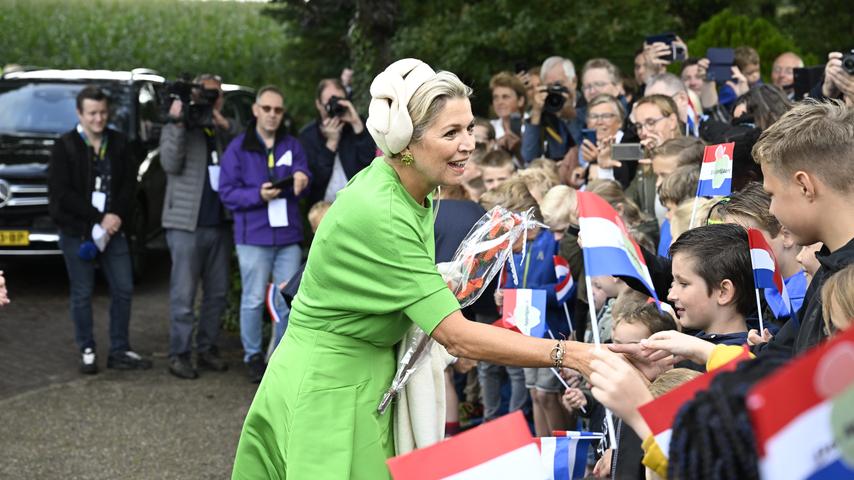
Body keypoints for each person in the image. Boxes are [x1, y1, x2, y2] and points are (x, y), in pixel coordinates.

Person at [231, 59, 634, 479]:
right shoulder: (383, 209)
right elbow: (457, 336)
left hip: (359, 377)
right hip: (329, 387)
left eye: (469, 129)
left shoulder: (407, 187)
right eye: (451, 133)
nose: (468, 144)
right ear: (407, 141)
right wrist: (573, 354)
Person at [48, 86, 151, 374]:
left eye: (103, 112)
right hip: (77, 231)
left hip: (112, 231)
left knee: (124, 288)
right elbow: (61, 194)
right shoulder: (65, 146)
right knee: (82, 292)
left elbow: (129, 185)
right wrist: (97, 217)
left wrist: (115, 216)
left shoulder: (118, 143)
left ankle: (119, 349)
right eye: (92, 113)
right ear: (80, 113)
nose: (98, 119)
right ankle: (87, 348)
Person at [219, 85, 311, 383]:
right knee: (254, 299)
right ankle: (252, 356)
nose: (272, 115)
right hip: (253, 237)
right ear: (256, 110)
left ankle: (281, 356)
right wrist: (257, 195)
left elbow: (304, 177)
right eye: (267, 109)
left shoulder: (291, 145)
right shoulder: (238, 148)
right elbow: (227, 193)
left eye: (278, 110)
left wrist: (301, 180)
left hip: (286, 237)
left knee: (289, 299)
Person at [752, 99, 854, 356]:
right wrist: (708, 354)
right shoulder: (829, 264)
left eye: (772, 194)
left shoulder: (845, 279)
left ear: (805, 187)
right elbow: (783, 356)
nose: (772, 210)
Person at [160, 73, 237, 380]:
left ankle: (206, 348)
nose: (210, 99)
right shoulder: (179, 124)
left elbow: (243, 145)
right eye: (205, 94)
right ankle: (178, 353)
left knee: (217, 294)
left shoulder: (219, 126)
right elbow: (169, 162)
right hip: (185, 224)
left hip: (219, 222)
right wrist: (178, 123)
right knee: (184, 295)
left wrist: (221, 122)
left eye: (216, 94)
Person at [299, 78, 376, 205]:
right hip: (323, 210)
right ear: (318, 104)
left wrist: (357, 125)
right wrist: (330, 144)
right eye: (329, 102)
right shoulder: (307, 136)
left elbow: (370, 164)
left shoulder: (357, 126)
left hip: (359, 204)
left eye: (339, 101)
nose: (334, 106)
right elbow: (314, 183)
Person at [521, 56, 583, 163]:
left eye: (559, 84)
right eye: (550, 86)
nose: (555, 90)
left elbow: (584, 149)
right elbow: (528, 156)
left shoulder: (587, 107)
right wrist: (536, 113)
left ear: (574, 81)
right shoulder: (545, 112)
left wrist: (569, 117)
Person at [488, 71, 526, 156]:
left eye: (505, 97)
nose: (500, 102)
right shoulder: (489, 128)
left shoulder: (533, 126)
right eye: (495, 97)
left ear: (520, 101)